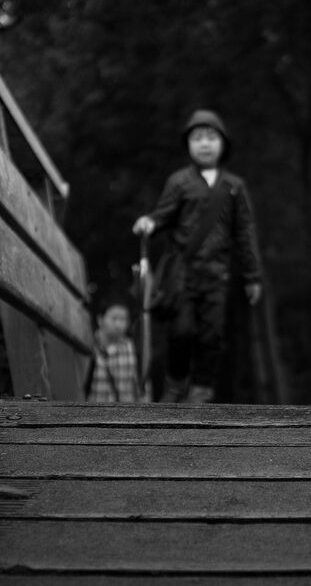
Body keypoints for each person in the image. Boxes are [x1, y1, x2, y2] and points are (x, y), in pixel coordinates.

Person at [132, 109, 263, 403]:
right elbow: (162, 214)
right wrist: (149, 223)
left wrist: (252, 276)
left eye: (211, 137)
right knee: (180, 331)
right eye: (198, 138)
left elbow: (245, 232)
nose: (205, 143)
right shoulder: (179, 181)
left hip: (217, 275)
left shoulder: (234, 187)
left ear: (223, 143)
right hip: (183, 276)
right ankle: (175, 384)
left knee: (211, 335)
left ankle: (201, 390)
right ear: (188, 144)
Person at [87, 297, 148, 403]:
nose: (119, 325)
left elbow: (136, 383)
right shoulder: (89, 345)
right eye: (114, 319)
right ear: (100, 320)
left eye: (123, 319)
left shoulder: (130, 347)